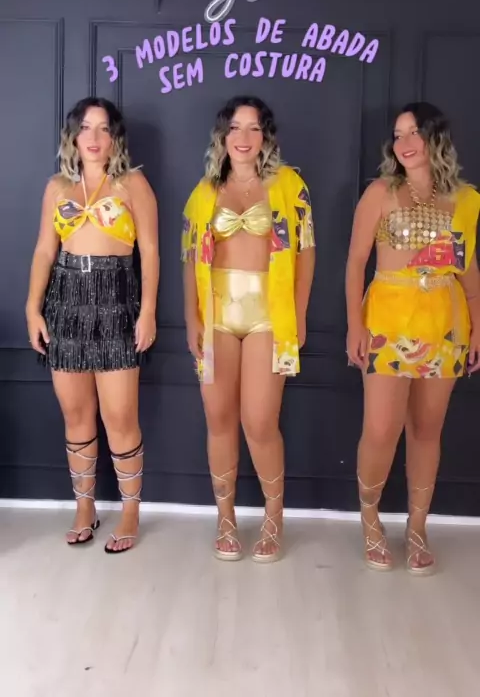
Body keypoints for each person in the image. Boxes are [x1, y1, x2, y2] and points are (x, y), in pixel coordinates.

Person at [346, 102, 480, 575]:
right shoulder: (380, 192)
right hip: (387, 322)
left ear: (435, 138)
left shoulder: (465, 199)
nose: (404, 143)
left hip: (445, 323)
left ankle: (418, 527)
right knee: (381, 429)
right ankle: (370, 521)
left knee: (427, 429)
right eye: (398, 134)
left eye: (414, 133)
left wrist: (477, 325)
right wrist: (354, 325)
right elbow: (355, 262)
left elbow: (468, 267)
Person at [182, 95, 315, 563]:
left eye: (254, 128)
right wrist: (192, 317)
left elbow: (306, 252)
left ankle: (274, 517)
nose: (243, 137)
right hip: (217, 312)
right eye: (235, 128)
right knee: (218, 418)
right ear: (222, 136)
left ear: (265, 137)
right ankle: (226, 518)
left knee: (259, 421)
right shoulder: (204, 191)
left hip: (268, 313)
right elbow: (189, 260)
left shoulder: (289, 184)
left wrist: (298, 314)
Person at [26, 97, 159, 553]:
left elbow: (151, 253)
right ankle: (85, 507)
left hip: (117, 300)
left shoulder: (133, 184)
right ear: (73, 136)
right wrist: (33, 308)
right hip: (65, 303)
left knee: (120, 416)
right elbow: (45, 250)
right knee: (76, 414)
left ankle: (130, 511)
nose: (95, 137)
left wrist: (147, 311)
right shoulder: (57, 187)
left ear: (115, 137)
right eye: (86, 127)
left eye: (104, 128)